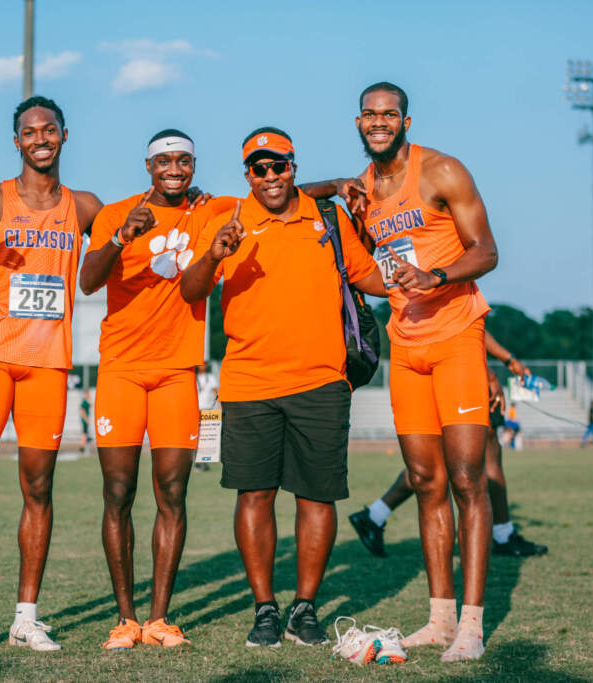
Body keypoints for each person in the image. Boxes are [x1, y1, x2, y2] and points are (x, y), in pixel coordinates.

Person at [302, 82, 499, 661]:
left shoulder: (442, 171)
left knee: (467, 479)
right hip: (404, 344)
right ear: (358, 121)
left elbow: (486, 250)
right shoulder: (363, 188)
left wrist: (437, 277)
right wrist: (338, 186)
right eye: (370, 115)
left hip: (457, 334)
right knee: (426, 481)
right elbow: (296, 190)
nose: (379, 122)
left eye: (389, 115)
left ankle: (472, 624)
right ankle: (439, 620)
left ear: (406, 121)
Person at [181, 127, 386, 648]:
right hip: (249, 382)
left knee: (317, 497)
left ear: (293, 166)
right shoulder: (227, 218)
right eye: (259, 167)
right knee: (254, 495)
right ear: (246, 173)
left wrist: (430, 270)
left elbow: (372, 279)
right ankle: (265, 608)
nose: (270, 176)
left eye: (280, 166)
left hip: (322, 380)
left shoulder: (328, 218)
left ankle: (305, 608)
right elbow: (190, 290)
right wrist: (212, 255)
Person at [0, 95, 104, 654]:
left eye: (49, 129)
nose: (40, 138)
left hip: (46, 365)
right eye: (30, 131)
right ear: (16, 141)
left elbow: (114, 255)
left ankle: (26, 617)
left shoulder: (83, 207)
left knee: (39, 487)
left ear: (64, 135)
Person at [79, 128, 232, 651]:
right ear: (148, 166)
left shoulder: (211, 211)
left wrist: (343, 183)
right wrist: (123, 235)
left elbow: (273, 196)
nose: (175, 168)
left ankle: (160, 618)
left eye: (184, 160)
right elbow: (88, 280)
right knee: (118, 493)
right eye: (164, 160)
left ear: (194, 165)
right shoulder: (113, 213)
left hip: (177, 372)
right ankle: (125, 619)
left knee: (172, 493)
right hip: (121, 368)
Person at [349, 331, 548, 560]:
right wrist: (494, 372)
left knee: (435, 463)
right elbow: (467, 324)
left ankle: (375, 515)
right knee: (480, 456)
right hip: (455, 368)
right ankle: (503, 534)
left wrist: (507, 361)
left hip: (434, 363)